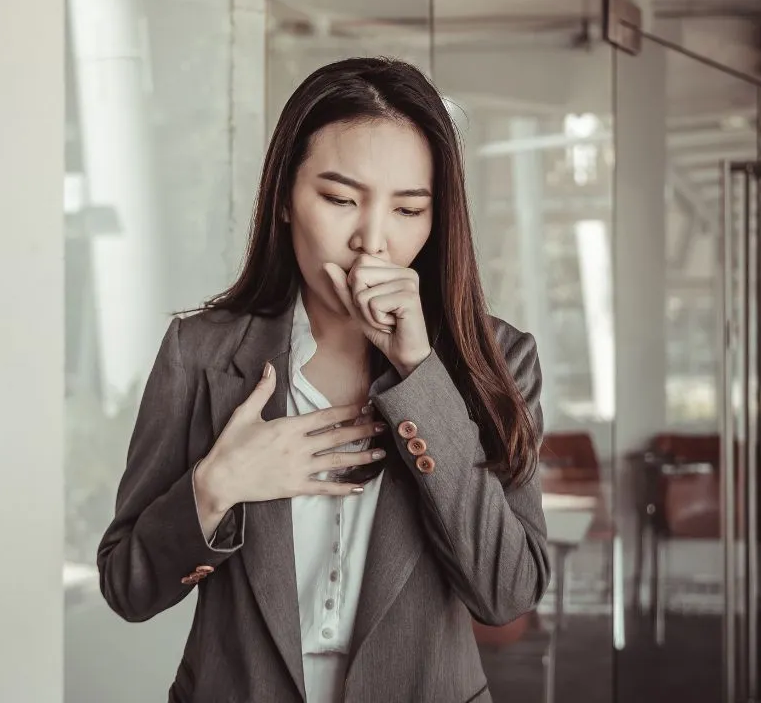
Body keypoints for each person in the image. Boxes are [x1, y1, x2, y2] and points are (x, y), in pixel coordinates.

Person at [97, 57, 550, 702]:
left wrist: (420, 376)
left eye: (408, 209)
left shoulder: (498, 359)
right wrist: (217, 487)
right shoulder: (200, 353)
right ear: (285, 198)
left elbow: (507, 593)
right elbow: (127, 586)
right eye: (339, 199)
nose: (374, 241)